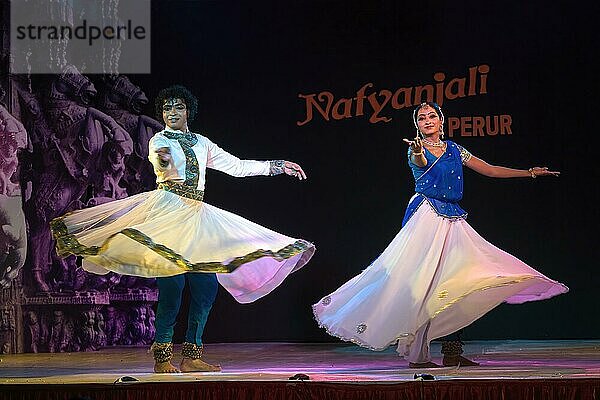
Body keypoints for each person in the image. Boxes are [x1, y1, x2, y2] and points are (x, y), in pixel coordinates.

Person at [51, 85, 315, 373]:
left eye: (177, 107)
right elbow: (163, 167)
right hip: (169, 213)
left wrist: (276, 166)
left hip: (197, 217)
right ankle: (162, 356)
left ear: (189, 110)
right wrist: (165, 161)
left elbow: (236, 166)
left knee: (206, 289)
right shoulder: (159, 140)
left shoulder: (203, 143)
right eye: (166, 108)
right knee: (172, 288)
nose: (172, 112)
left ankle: (192, 355)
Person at [313, 102, 568, 368]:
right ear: (417, 126)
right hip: (428, 217)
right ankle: (418, 356)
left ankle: (452, 351)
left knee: (456, 282)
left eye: (432, 116)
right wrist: (417, 151)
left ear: (441, 121)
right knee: (424, 285)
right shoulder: (415, 149)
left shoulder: (456, 150)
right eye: (421, 118)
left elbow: (489, 169)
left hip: (452, 217)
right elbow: (419, 161)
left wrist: (528, 173)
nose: (427, 120)